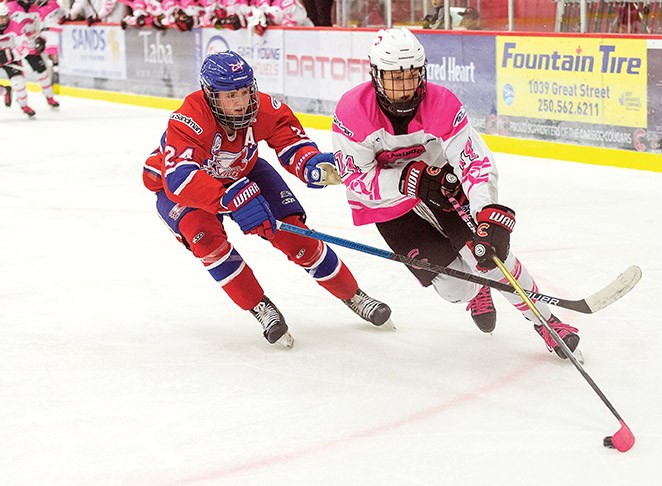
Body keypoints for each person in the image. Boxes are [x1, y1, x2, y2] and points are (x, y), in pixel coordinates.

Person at [311, 28, 579, 359]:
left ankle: (547, 322)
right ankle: (475, 291)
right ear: (375, 74)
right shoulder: (353, 111)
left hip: (442, 188)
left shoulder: (441, 102)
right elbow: (355, 177)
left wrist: (486, 213)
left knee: (489, 256)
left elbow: (474, 163)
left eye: (411, 76)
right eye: (395, 77)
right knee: (455, 289)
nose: (405, 86)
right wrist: (405, 180)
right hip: (389, 206)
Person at [142, 50, 392, 348]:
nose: (239, 102)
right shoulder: (190, 118)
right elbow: (180, 178)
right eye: (229, 95)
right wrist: (227, 200)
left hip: (244, 171)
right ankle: (260, 306)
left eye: (245, 92)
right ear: (210, 96)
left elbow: (291, 141)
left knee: (295, 235)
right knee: (208, 244)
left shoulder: (264, 107)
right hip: (185, 190)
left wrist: (310, 164)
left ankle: (353, 294)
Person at [0, 1, 35, 117]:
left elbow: (25, 46)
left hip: (12, 57)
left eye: (4, 17)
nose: (3, 21)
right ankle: (5, 91)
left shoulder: (15, 25)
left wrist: (11, 55)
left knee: (18, 82)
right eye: (0, 18)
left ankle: (24, 105)